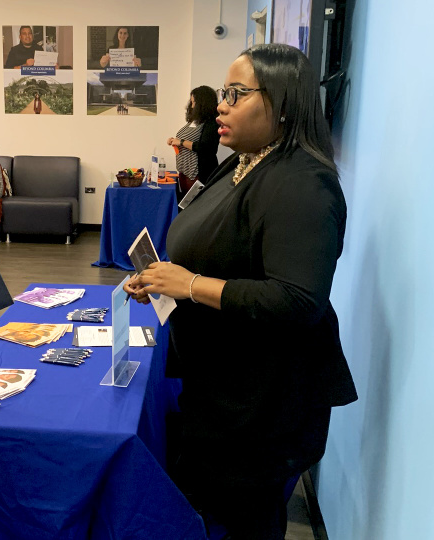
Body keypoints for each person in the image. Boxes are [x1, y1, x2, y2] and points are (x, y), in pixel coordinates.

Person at [124, 43, 358, 539]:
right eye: (222, 92)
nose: (221, 105)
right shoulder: (243, 162)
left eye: (236, 93)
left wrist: (188, 284)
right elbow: (220, 251)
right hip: (223, 390)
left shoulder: (303, 184)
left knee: (244, 522)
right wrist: (165, 281)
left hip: (263, 407)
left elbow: (297, 299)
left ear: (284, 102)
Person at [166, 86, 220, 202]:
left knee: (195, 205)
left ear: (202, 103)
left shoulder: (212, 123)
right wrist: (174, 140)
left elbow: (205, 148)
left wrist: (180, 142)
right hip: (184, 172)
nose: (191, 106)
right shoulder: (194, 121)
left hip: (198, 174)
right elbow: (185, 139)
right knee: (185, 205)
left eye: (193, 102)